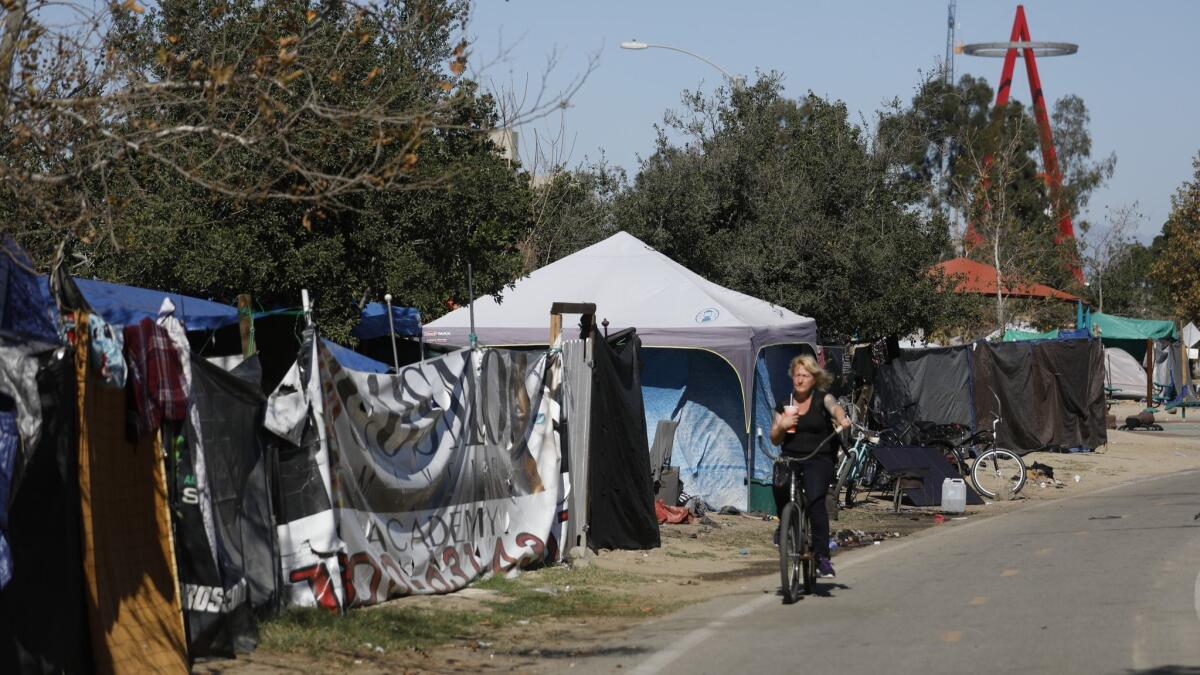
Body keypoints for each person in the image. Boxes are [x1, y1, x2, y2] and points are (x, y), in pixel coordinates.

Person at [770, 354, 850, 578]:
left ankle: (822, 557)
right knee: (778, 485)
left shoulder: (822, 398)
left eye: (805, 375)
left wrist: (842, 420)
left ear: (814, 378)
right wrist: (782, 426)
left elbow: (835, 408)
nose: (800, 380)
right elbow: (774, 438)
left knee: (816, 500)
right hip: (791, 457)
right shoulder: (785, 404)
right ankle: (783, 525)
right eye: (797, 375)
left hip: (819, 457)